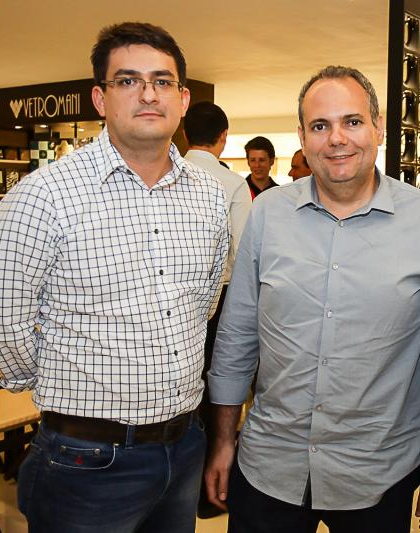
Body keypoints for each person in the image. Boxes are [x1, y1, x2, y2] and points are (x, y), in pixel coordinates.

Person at [0, 22, 228, 533]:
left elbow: (202, 305)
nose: (148, 94)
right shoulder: (43, 195)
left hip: (184, 447)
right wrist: (63, 383)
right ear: (100, 98)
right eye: (128, 80)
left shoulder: (209, 196)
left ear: (182, 99)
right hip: (84, 459)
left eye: (162, 81)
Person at [205, 65, 420, 532]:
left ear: (378, 128)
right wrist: (223, 441)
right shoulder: (268, 214)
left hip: (380, 472)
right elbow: (237, 335)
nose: (337, 139)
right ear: (302, 138)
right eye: (320, 126)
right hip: (270, 465)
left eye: (352, 121)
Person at [183, 100, 252, 518]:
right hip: (222, 300)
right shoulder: (231, 184)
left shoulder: (169, 174)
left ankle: (183, 485)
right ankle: (210, 494)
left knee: (183, 395)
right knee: (217, 395)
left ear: (184, 133)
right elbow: (245, 254)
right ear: (223, 138)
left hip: (175, 302)